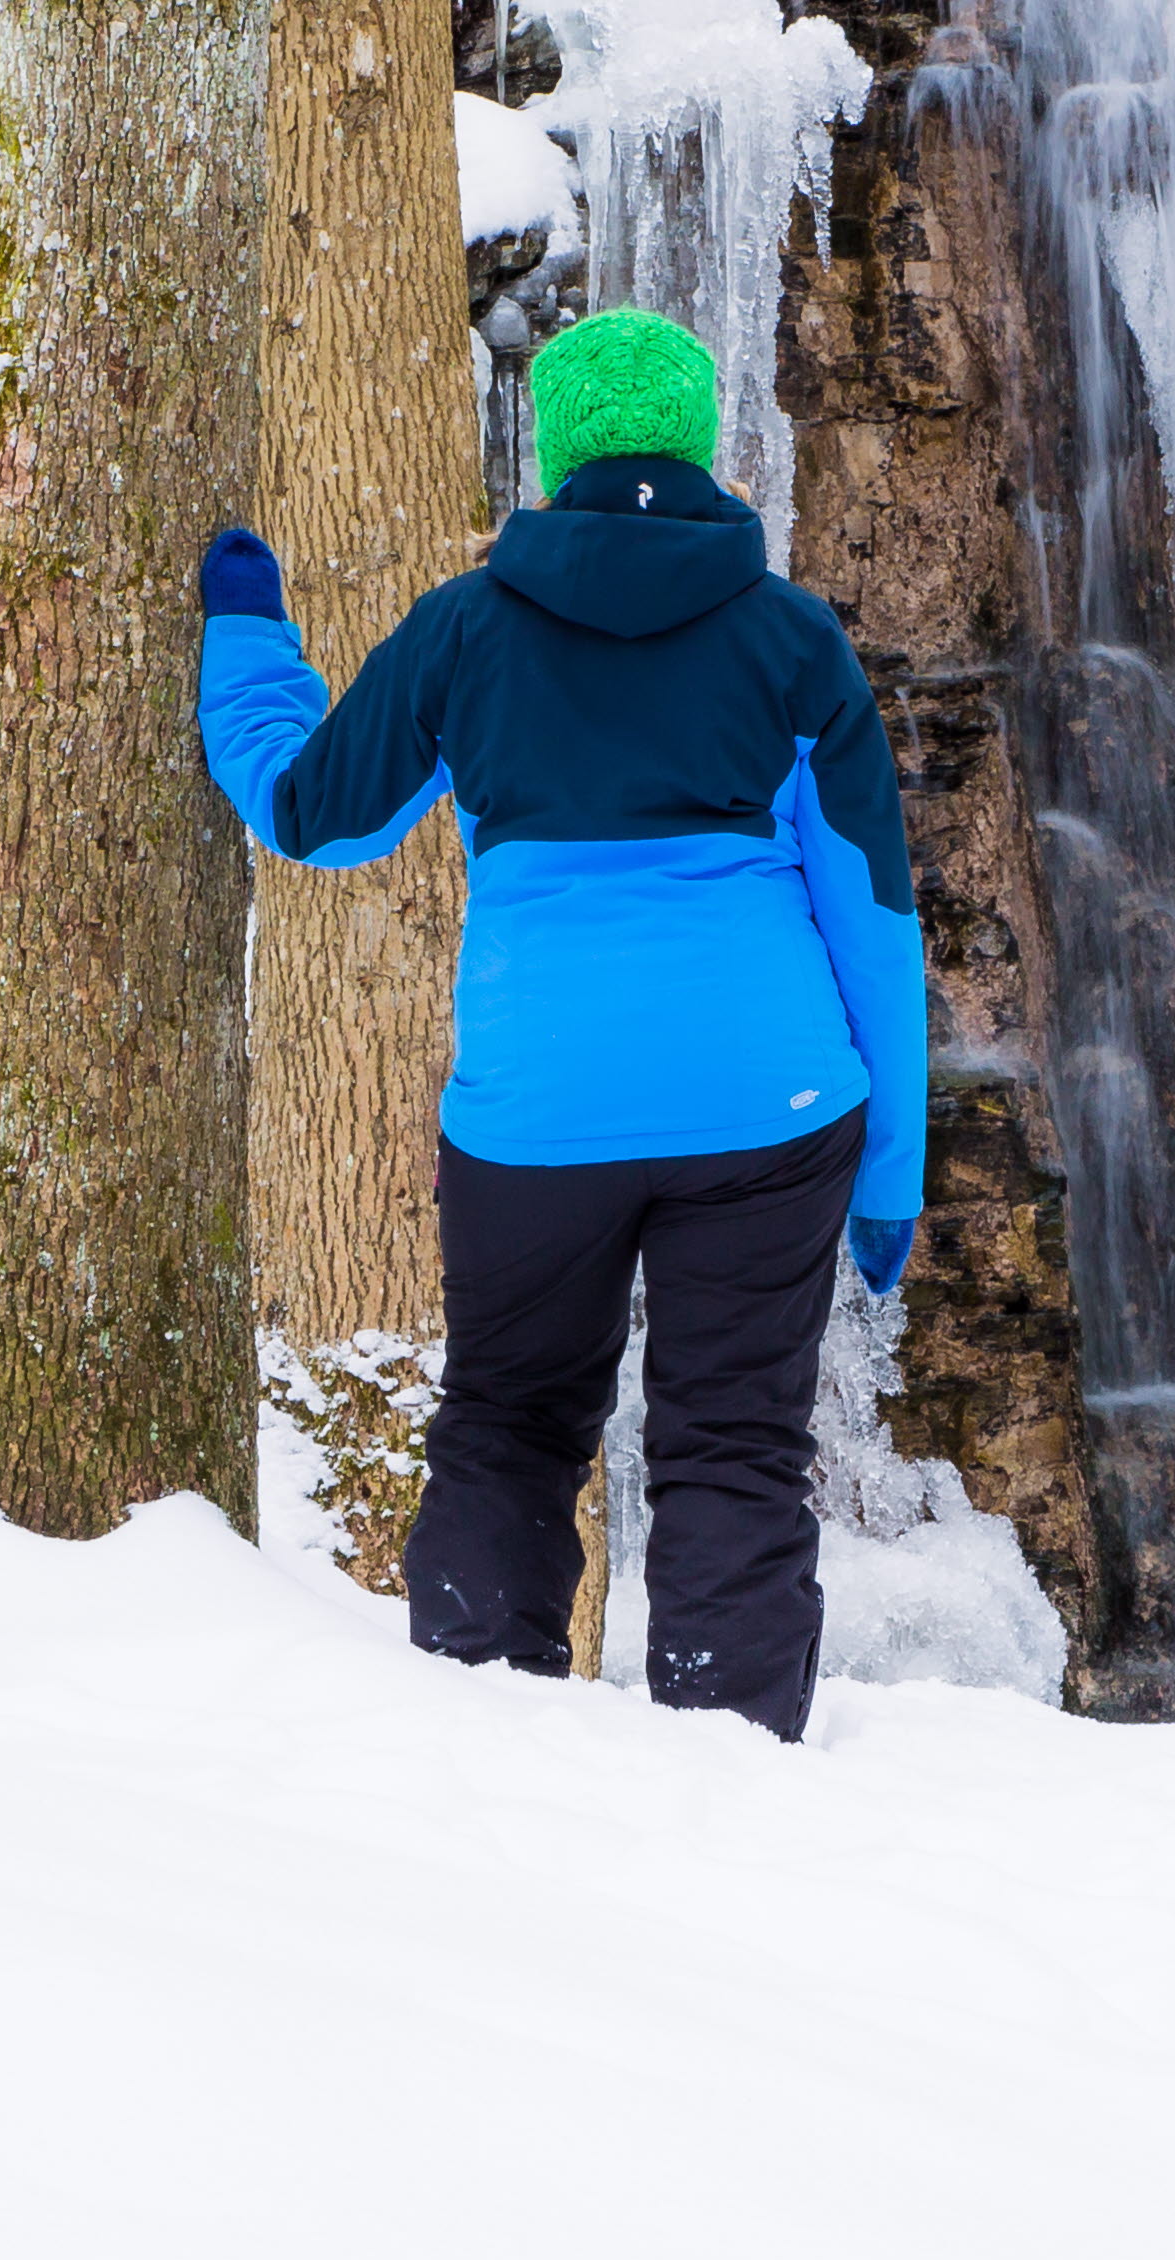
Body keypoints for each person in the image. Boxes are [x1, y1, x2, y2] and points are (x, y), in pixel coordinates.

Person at [198, 306, 925, 1741]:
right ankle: (730, 1763)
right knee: (732, 1453)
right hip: (767, 1113)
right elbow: (875, 922)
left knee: (510, 1426)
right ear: (704, 449)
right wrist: (889, 1174)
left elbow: (305, 812)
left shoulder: (470, 630)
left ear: (555, 454)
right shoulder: (791, 642)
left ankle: (488, 1745)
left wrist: (245, 641)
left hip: (541, 1115)